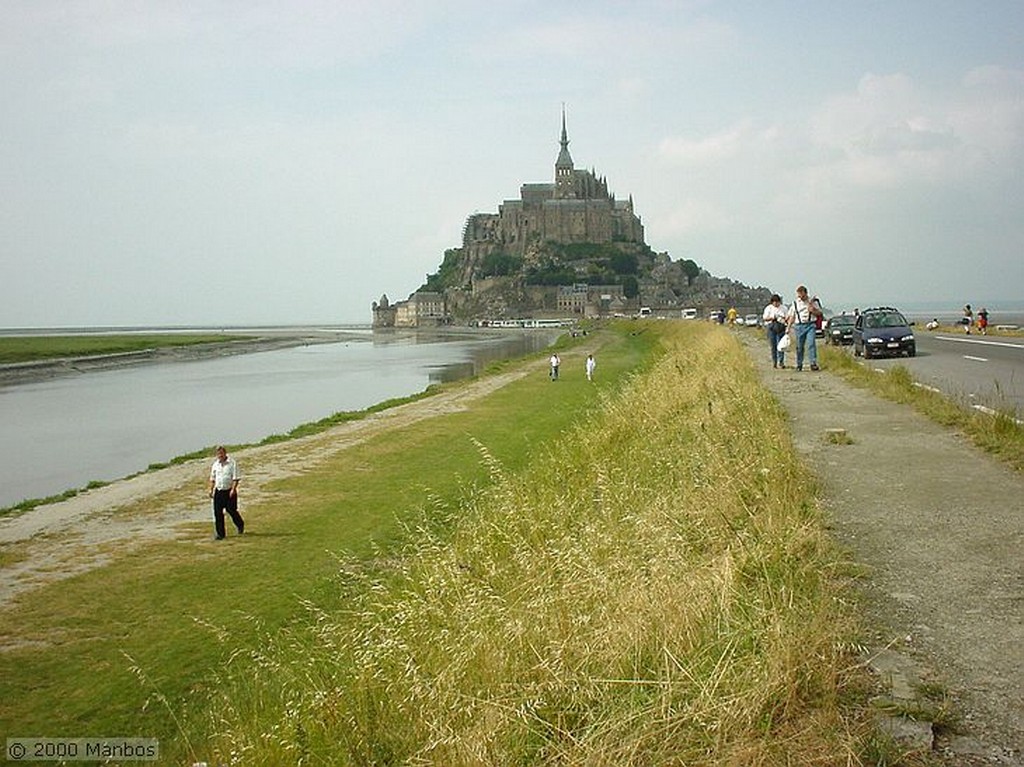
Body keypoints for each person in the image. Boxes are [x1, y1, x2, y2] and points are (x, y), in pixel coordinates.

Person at [208, 445, 244, 540]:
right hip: (219, 491)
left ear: (225, 453)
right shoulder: (215, 465)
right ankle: (220, 534)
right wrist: (211, 490)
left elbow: (236, 478)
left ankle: (240, 524)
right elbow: (212, 479)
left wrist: (233, 489)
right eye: (218, 454)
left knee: (231, 510)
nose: (220, 455)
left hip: (229, 491)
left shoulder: (232, 463)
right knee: (218, 513)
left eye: (221, 453)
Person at [786, 285, 822, 371]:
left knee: (811, 344)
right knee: (799, 346)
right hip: (799, 326)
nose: (800, 297)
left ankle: (813, 363)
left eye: (802, 296)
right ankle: (799, 364)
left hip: (810, 325)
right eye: (799, 296)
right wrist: (788, 327)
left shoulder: (813, 302)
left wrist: (813, 310)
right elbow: (792, 316)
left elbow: (819, 313)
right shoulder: (795, 303)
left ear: (806, 294)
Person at [762, 293, 788, 369]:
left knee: (781, 345)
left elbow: (787, 317)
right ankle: (774, 361)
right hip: (772, 327)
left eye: (777, 302)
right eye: (774, 302)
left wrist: (782, 318)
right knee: (773, 346)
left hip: (781, 327)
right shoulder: (768, 308)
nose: (776, 303)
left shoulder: (784, 308)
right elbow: (765, 318)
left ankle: (781, 361)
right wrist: (772, 317)